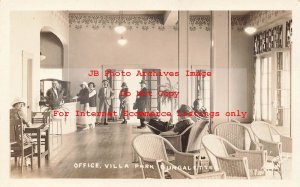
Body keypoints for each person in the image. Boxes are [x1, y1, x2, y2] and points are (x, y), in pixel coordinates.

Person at [10, 97, 33, 166]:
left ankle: (20, 157)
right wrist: (29, 124)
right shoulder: (20, 112)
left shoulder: (9, 112)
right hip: (19, 138)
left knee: (19, 142)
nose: (22, 106)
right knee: (31, 142)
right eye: (21, 105)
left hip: (10, 139)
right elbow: (28, 123)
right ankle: (27, 160)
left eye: (23, 105)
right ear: (17, 104)